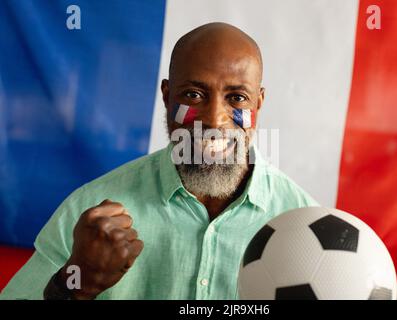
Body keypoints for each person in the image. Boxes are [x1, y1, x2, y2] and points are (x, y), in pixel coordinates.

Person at [0, 22, 318, 300]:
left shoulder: (304, 224)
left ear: (258, 104)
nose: (215, 119)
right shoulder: (91, 209)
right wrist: (73, 286)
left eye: (236, 98)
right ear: (166, 97)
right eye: (194, 94)